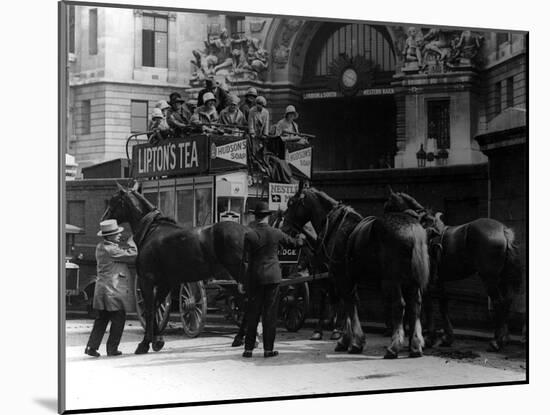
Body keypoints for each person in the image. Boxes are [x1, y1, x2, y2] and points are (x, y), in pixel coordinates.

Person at [242, 201, 305, 358]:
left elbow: (245, 261)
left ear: (256, 217)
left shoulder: (249, 235)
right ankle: (268, 350)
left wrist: (242, 282)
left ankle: (248, 349)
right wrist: (301, 238)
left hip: (255, 278)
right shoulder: (276, 233)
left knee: (253, 313)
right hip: (272, 278)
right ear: (268, 217)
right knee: (269, 314)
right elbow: (294, 244)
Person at [85, 219, 137, 357]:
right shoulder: (111, 249)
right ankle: (112, 349)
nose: (120, 235)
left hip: (103, 290)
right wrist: (132, 241)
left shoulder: (101, 247)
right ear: (109, 236)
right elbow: (132, 254)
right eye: (117, 233)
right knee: (119, 319)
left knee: (101, 320)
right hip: (113, 291)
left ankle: (91, 347)